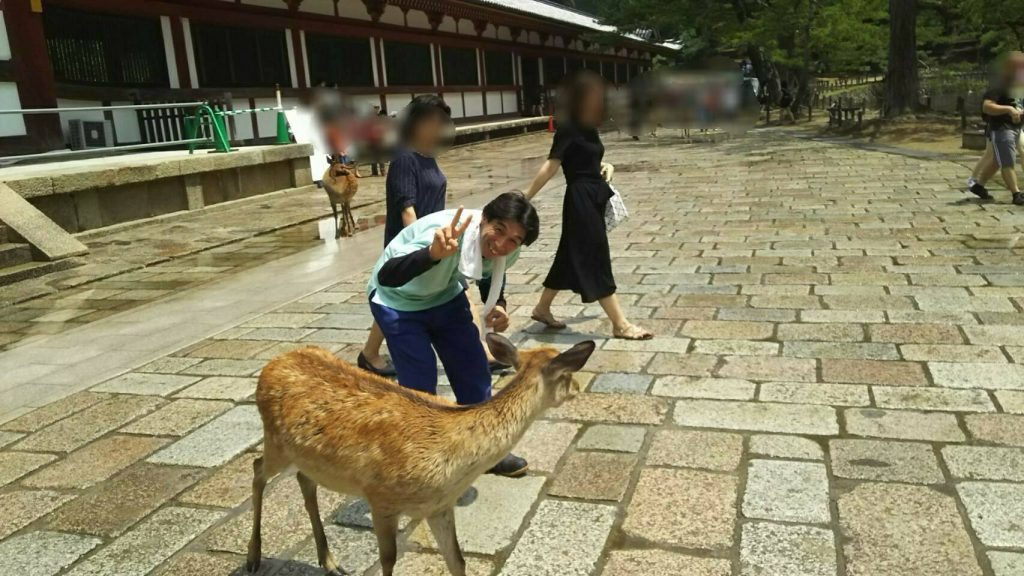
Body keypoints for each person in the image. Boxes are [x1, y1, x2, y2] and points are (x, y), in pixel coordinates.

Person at [367, 193, 540, 476]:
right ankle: (420, 454)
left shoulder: (509, 250)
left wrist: (499, 303)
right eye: (498, 230)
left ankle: (485, 450)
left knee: (473, 366)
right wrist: (432, 254)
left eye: (514, 240)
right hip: (397, 300)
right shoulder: (445, 233)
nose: (502, 244)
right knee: (419, 381)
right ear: (484, 219)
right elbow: (387, 276)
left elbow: (492, 270)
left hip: (444, 295)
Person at [524, 71, 653, 340]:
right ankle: (621, 324)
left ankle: (542, 308)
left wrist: (606, 165)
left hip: (595, 195)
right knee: (595, 255)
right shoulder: (568, 127)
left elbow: (588, 158)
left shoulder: (589, 127)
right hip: (580, 199)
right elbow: (552, 164)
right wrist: (526, 196)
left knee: (569, 254)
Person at [358, 95, 453, 377]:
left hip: (434, 243)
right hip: (412, 245)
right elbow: (406, 210)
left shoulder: (429, 158)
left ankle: (370, 352)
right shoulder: (404, 159)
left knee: (396, 299)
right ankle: (481, 350)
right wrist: (421, 250)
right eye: (434, 121)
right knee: (398, 296)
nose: (440, 127)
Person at [981, 52, 1024, 204]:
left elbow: (1019, 104)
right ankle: (1016, 194)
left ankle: (978, 185)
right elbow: (987, 107)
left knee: (997, 160)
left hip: (1017, 127)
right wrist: (1008, 110)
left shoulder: (1019, 85)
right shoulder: (999, 85)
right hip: (1002, 128)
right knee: (1007, 160)